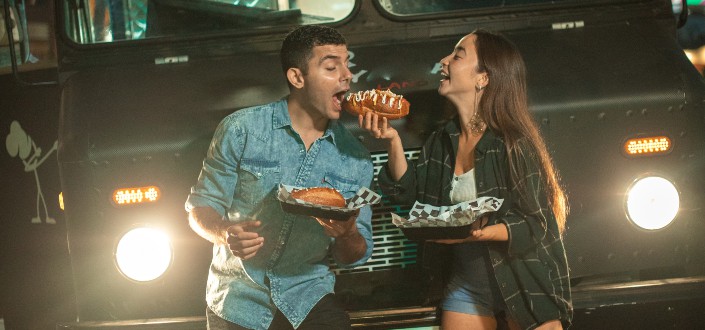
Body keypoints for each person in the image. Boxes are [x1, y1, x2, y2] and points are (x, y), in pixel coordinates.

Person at [360, 29, 573, 329]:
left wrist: (480, 233)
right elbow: (409, 200)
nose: (443, 61)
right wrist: (392, 140)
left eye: (457, 55)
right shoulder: (441, 139)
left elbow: (537, 225)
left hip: (524, 282)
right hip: (467, 285)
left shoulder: (513, 144)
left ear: (483, 78)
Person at [185, 25, 374, 330]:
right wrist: (225, 232)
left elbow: (353, 256)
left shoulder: (356, 158)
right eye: (331, 66)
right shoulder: (240, 130)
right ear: (297, 77)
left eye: (346, 63)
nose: (347, 75)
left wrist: (348, 232)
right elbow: (200, 207)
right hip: (238, 300)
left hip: (310, 297)